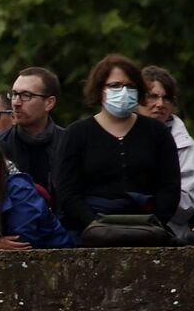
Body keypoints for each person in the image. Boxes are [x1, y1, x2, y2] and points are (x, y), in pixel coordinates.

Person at [55, 54, 181, 233]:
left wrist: (154, 223)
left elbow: (170, 186)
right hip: (91, 232)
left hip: (149, 230)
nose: (123, 91)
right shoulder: (76, 134)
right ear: (100, 90)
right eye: (115, 85)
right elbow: (67, 191)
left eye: (130, 86)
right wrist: (93, 225)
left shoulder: (157, 132)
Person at [141, 65, 194, 235]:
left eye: (166, 98)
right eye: (152, 96)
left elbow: (187, 205)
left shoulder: (186, 146)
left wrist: (143, 196)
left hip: (168, 233)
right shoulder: (115, 137)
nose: (160, 104)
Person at [0, 66, 68, 202]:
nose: (16, 103)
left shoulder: (69, 144)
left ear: (49, 103)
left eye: (26, 96)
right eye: (14, 94)